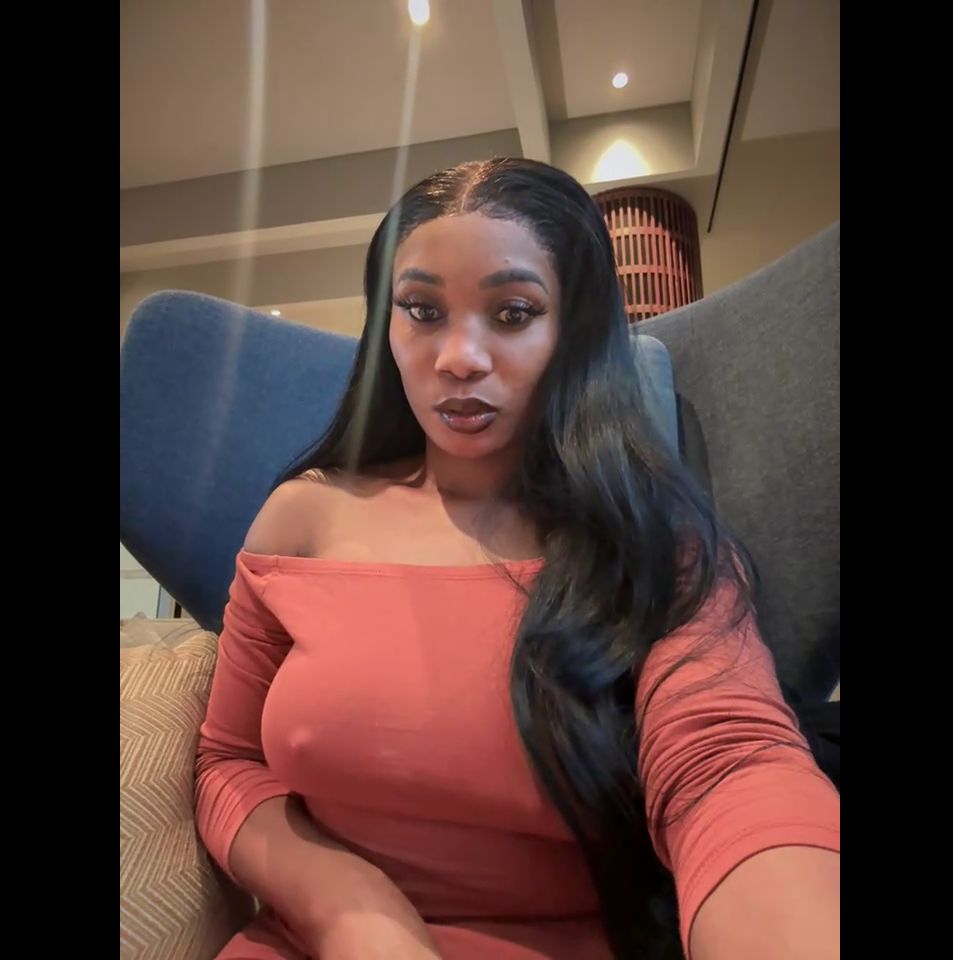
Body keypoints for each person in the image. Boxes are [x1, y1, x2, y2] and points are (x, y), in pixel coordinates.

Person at [196, 158, 839, 960]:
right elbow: (227, 761)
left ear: (573, 333)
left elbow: (729, 763)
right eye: (422, 310)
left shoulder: (653, 541)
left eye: (513, 313)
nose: (459, 357)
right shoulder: (302, 517)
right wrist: (350, 909)